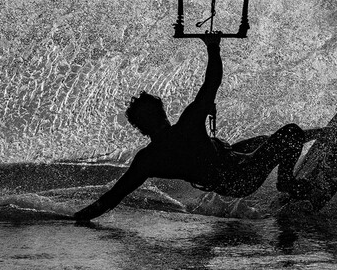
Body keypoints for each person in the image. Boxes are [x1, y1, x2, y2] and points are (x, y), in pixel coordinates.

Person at [73, 33, 321, 221]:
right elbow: (212, 82)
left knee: (260, 141)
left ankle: (312, 137)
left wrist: (77, 218)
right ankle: (286, 180)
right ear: (162, 112)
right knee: (289, 132)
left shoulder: (147, 159)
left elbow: (113, 196)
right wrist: (213, 46)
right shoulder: (188, 124)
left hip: (226, 183)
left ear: (140, 128)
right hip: (243, 176)